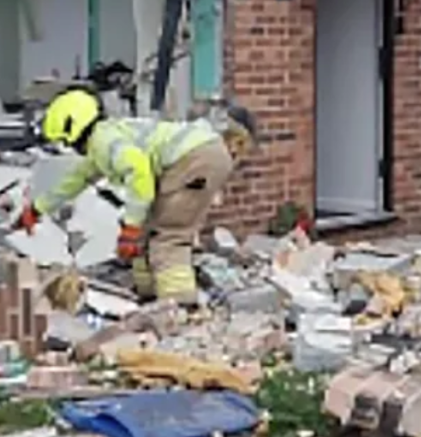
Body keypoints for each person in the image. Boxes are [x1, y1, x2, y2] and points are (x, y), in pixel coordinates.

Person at [14, 89, 256, 306]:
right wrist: (36, 209)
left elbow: (140, 175)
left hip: (194, 159)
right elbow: (75, 180)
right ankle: (149, 299)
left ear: (72, 129)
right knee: (147, 231)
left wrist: (130, 227)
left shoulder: (105, 142)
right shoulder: (105, 139)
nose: (65, 146)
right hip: (203, 154)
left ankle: (179, 309)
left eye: (63, 140)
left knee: (168, 237)